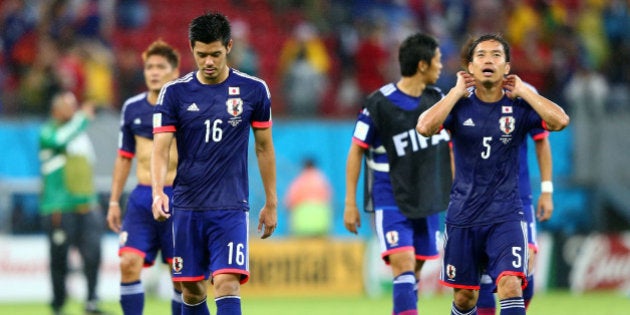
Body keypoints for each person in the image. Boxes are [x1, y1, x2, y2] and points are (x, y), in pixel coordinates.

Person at [416, 33, 570, 315]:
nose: (489, 60)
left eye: (496, 55)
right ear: (470, 68)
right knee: (464, 298)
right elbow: (424, 127)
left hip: (507, 214)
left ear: (507, 67)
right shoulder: (458, 104)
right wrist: (454, 92)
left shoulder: (521, 105)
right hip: (464, 215)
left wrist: (525, 92)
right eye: (482, 56)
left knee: (512, 284)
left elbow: (560, 121)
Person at [151, 12, 277, 315]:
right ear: (192, 48)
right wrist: (158, 191)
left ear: (229, 47)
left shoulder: (254, 90)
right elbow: (160, 150)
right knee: (191, 290)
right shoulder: (174, 93)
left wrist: (271, 201)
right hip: (187, 205)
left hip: (231, 206)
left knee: (226, 282)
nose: (209, 61)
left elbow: (263, 147)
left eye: (216, 54)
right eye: (201, 54)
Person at [344, 33, 452, 315]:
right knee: (402, 262)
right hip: (390, 196)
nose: (441, 67)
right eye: (438, 61)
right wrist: (350, 203)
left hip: (426, 198)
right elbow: (356, 150)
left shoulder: (437, 100)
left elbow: (453, 144)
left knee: (414, 269)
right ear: (422, 65)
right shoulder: (379, 103)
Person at [106, 39, 182, 315]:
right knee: (128, 264)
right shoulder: (132, 108)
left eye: (161, 67)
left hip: (178, 197)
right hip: (142, 196)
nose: (154, 72)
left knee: (183, 277)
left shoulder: (186, 107)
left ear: (175, 72)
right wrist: (114, 201)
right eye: (149, 66)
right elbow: (124, 157)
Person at [39, 90, 104, 315]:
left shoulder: (80, 135)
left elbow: (87, 171)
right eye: (68, 105)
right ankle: (58, 304)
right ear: (55, 110)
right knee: (59, 259)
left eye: (75, 105)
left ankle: (92, 301)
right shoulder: (49, 133)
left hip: (86, 206)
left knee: (93, 254)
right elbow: (61, 139)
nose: (74, 110)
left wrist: (93, 200)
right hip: (59, 207)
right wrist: (84, 117)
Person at [477, 128, 554, 315]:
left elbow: (542, 139)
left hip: (518, 198)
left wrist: (546, 190)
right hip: (478, 201)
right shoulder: (467, 100)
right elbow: (453, 149)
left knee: (524, 270)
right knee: (483, 276)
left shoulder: (522, 99)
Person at [284, 158, 332, 237]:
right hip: (321, 224)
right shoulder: (322, 181)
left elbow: (288, 203)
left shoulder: (299, 181)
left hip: (301, 225)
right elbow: (329, 199)